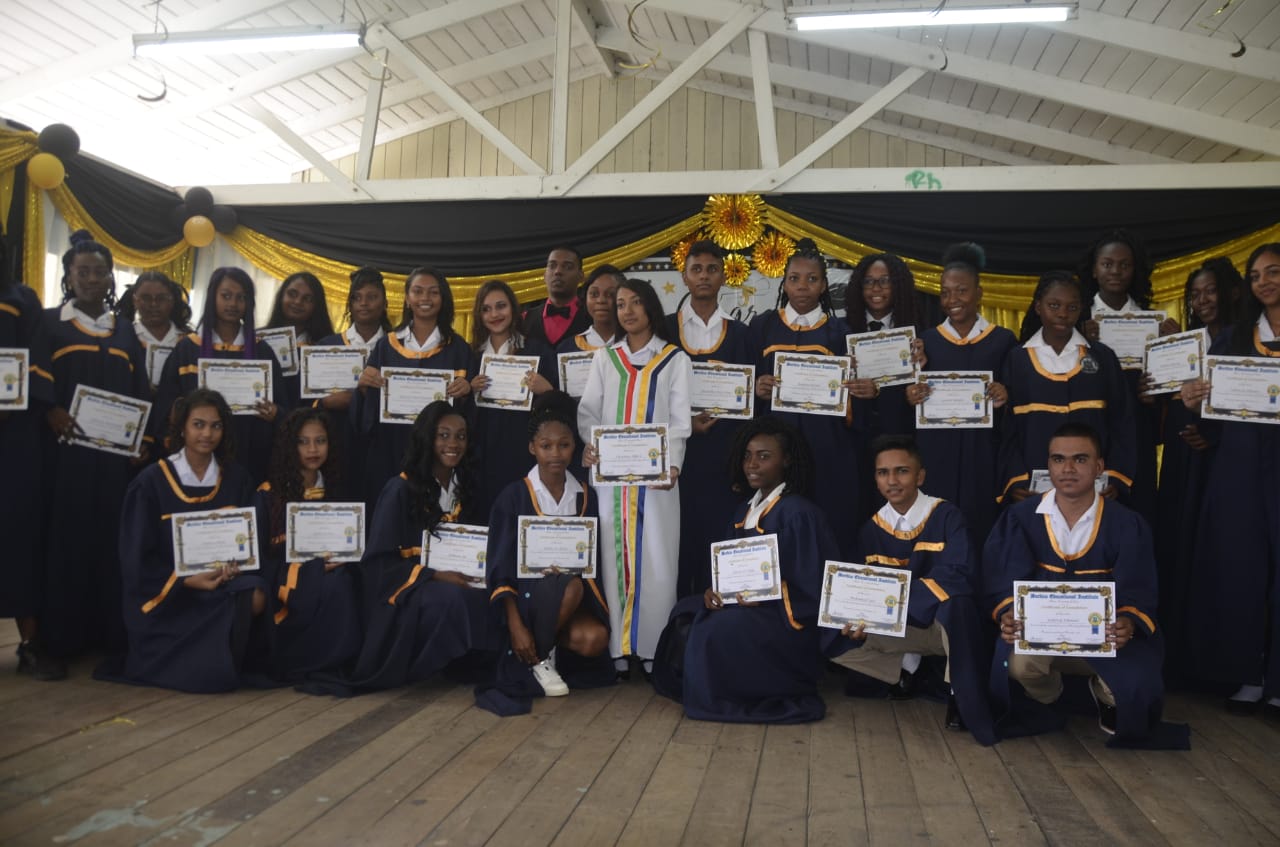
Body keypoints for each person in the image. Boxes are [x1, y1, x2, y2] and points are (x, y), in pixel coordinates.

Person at [983, 422, 1187, 748]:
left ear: (1099, 466)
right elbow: (1003, 579)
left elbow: (1139, 587)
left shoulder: (1126, 523)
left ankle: (1105, 694)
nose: (1067, 469)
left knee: (1135, 682)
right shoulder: (1020, 517)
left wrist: (1128, 621)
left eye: (1080, 459)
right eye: (1058, 459)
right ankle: (1053, 697)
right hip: (1041, 637)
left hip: (1106, 637)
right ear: (1048, 465)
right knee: (1018, 665)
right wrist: (1008, 613)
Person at [654, 417, 838, 723]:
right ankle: (710, 687)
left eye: (764, 456)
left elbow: (812, 586)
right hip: (747, 608)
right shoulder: (745, 510)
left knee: (716, 629)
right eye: (747, 456)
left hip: (785, 620)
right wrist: (715, 591)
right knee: (687, 610)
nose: (752, 464)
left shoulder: (798, 513)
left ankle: (730, 693)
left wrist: (767, 596)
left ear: (786, 460)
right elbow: (728, 569)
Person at [30, 230, 150, 671]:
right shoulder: (49, 324)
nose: (92, 279)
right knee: (66, 541)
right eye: (83, 272)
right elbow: (35, 378)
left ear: (110, 277)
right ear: (68, 275)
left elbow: (140, 391)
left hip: (114, 461)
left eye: (100, 272)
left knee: (109, 542)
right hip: (66, 456)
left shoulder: (126, 332)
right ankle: (60, 640)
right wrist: (51, 409)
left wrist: (143, 441)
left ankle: (107, 635)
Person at [828, 435, 995, 744]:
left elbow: (959, 574)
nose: (892, 481)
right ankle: (904, 669)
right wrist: (855, 614)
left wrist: (898, 603)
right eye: (883, 473)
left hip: (942, 628)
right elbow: (859, 587)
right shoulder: (871, 530)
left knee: (958, 604)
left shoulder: (946, 516)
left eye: (902, 471)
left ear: (920, 476)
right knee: (828, 628)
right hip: (900, 629)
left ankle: (960, 692)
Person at [107, 389, 268, 692]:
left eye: (216, 426)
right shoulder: (151, 482)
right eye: (198, 424)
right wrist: (186, 580)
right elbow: (135, 558)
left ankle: (222, 658)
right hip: (170, 594)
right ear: (182, 428)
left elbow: (248, 542)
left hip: (221, 583)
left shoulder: (236, 478)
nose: (207, 434)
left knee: (256, 594)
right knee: (208, 674)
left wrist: (234, 567)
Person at [1179, 243, 1280, 715]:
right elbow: (1213, 418)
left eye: (1273, 272)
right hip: (1240, 469)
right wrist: (1193, 401)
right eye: (1256, 276)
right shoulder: (1235, 339)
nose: (1264, 282)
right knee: (1241, 568)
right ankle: (1248, 674)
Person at [337, 400, 500, 692]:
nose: (453, 444)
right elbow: (378, 564)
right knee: (451, 598)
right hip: (408, 592)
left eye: (461, 436)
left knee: (491, 594)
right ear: (427, 438)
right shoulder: (400, 489)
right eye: (443, 435)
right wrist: (433, 575)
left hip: (455, 579)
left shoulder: (466, 487)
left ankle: (462, 662)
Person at [578, 278, 691, 676]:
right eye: (621, 304)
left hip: (658, 480)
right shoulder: (605, 359)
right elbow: (589, 412)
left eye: (635, 302)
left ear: (651, 308)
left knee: (658, 560)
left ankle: (653, 650)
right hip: (612, 479)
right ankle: (618, 650)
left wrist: (673, 464)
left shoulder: (674, 360)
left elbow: (679, 422)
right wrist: (590, 445)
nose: (627, 311)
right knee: (614, 559)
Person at [479, 391, 613, 715]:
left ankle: (540, 651)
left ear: (574, 446)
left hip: (568, 599)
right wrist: (516, 625)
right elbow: (499, 566)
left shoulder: (585, 496)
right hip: (526, 598)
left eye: (564, 445)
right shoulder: (513, 496)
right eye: (546, 445)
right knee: (570, 586)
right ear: (532, 448)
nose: (555, 453)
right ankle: (538, 659)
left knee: (595, 638)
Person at [1152, 257, 1242, 685]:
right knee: (1178, 545)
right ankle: (1178, 657)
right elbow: (1162, 400)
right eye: (1195, 294)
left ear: (1232, 292)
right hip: (1181, 458)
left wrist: (1214, 437)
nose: (1201, 300)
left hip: (1224, 462)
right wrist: (1152, 384)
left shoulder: (1245, 340)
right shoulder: (1184, 343)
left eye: (1210, 291)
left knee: (1216, 552)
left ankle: (1216, 660)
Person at [748, 239, 861, 557]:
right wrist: (757, 389)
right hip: (776, 447)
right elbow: (745, 386)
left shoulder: (841, 332)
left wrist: (855, 391)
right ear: (784, 283)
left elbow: (856, 402)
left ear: (823, 285)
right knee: (775, 526)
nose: (802, 286)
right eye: (794, 278)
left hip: (826, 446)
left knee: (827, 525)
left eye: (812, 279)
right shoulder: (762, 326)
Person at [909, 243, 1017, 544]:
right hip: (937, 451)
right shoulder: (927, 341)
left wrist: (1005, 395)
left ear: (979, 293)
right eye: (945, 293)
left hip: (983, 453)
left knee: (981, 528)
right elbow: (912, 400)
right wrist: (912, 394)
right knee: (937, 526)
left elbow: (1016, 397)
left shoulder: (1003, 341)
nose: (952, 300)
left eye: (961, 291)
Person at [998, 271, 1135, 505]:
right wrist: (1015, 479)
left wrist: (1116, 475)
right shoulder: (1016, 360)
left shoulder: (1102, 357)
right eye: (1054, 305)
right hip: (1033, 488)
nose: (1063, 314)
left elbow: (1122, 421)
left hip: (1094, 488)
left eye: (1072, 307)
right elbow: (1007, 429)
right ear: (1038, 307)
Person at [665, 240, 752, 598]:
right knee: (675, 548)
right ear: (684, 277)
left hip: (723, 461)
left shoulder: (743, 334)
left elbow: (751, 409)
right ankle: (675, 623)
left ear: (723, 276)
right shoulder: (664, 332)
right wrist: (686, 423)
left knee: (718, 546)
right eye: (696, 269)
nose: (704, 276)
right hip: (677, 462)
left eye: (712, 269)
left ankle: (713, 620)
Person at [254, 407, 361, 683]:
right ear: (289, 446)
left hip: (333, 574)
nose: (313, 449)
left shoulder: (338, 491)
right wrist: (307, 570)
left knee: (342, 581)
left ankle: (336, 659)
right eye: (303, 442)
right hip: (287, 584)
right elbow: (261, 559)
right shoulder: (269, 495)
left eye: (320, 441)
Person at [352, 267, 472, 511]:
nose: (425, 298)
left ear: (443, 298)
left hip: (439, 455)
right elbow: (368, 415)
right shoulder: (387, 345)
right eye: (418, 291)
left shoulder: (458, 348)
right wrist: (364, 388)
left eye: (433, 292)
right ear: (407, 298)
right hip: (391, 449)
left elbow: (467, 416)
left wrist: (466, 391)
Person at [1078, 230, 1177, 525]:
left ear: (1135, 270)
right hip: (1092, 426)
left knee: (1138, 510)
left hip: (1138, 430)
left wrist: (1173, 346)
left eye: (1125, 265)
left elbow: (1167, 389)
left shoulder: (1154, 323)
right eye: (1107, 264)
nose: (1116, 271)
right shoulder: (1077, 319)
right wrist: (1079, 341)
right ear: (1094, 270)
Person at [154, 267, 284, 484]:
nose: (233, 304)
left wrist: (275, 413)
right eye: (226, 296)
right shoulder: (188, 349)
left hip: (250, 453)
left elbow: (283, 406)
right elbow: (166, 403)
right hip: (198, 456)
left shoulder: (261, 351)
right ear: (212, 297)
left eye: (241, 297)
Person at [0, 237, 56, 678]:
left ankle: (30, 643)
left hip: (13, 437)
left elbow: (37, 361)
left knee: (18, 536)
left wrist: (17, 401)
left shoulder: (20, 298)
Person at [468, 279, 557, 510]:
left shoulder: (537, 351)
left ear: (514, 308)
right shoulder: (472, 356)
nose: (494, 314)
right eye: (486, 309)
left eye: (501, 306)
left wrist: (548, 390)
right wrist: (469, 390)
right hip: (482, 456)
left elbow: (559, 409)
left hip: (523, 452)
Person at [312, 266, 392, 488]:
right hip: (336, 443)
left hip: (382, 447)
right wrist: (323, 402)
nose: (363, 303)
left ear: (385, 303)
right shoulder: (326, 346)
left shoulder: (396, 348)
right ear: (349, 304)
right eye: (357, 297)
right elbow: (305, 405)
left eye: (372, 297)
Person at [263, 271, 336, 409]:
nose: (297, 302)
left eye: (307, 299)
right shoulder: (258, 341)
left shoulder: (328, 347)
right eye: (292, 294)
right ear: (281, 296)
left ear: (317, 305)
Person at [116, 271, 193, 393]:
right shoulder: (123, 337)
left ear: (172, 301)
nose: (153, 304)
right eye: (146, 298)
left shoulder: (188, 341)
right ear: (135, 300)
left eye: (161, 298)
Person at [523, 246, 592, 348]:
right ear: (544, 275)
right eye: (552, 266)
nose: (557, 271)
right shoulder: (524, 320)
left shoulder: (593, 319)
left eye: (567, 267)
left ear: (581, 276)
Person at [557, 264, 622, 354]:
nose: (601, 300)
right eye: (594, 294)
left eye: (610, 294)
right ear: (585, 298)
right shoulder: (567, 348)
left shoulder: (635, 344)